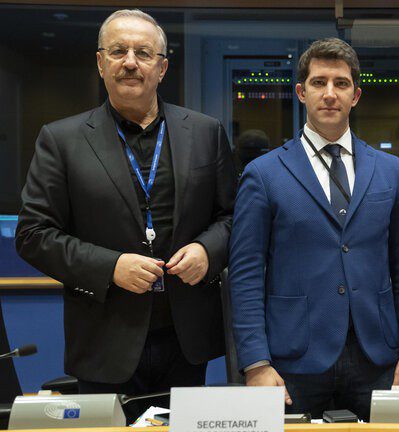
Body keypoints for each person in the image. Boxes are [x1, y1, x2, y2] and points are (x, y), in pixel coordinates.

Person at [15, 9, 235, 420]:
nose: (130, 61)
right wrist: (110, 266)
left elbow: (232, 217)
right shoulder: (60, 139)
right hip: (103, 338)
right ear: (101, 63)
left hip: (186, 339)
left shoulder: (206, 133)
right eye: (118, 51)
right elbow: (33, 234)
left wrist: (208, 251)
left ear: (162, 67)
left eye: (143, 52)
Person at [228, 38, 399, 421]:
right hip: (291, 361)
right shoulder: (264, 174)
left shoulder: (391, 171)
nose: (329, 94)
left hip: (377, 357)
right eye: (318, 83)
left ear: (356, 95)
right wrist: (255, 362)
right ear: (301, 92)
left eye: (341, 83)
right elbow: (247, 275)